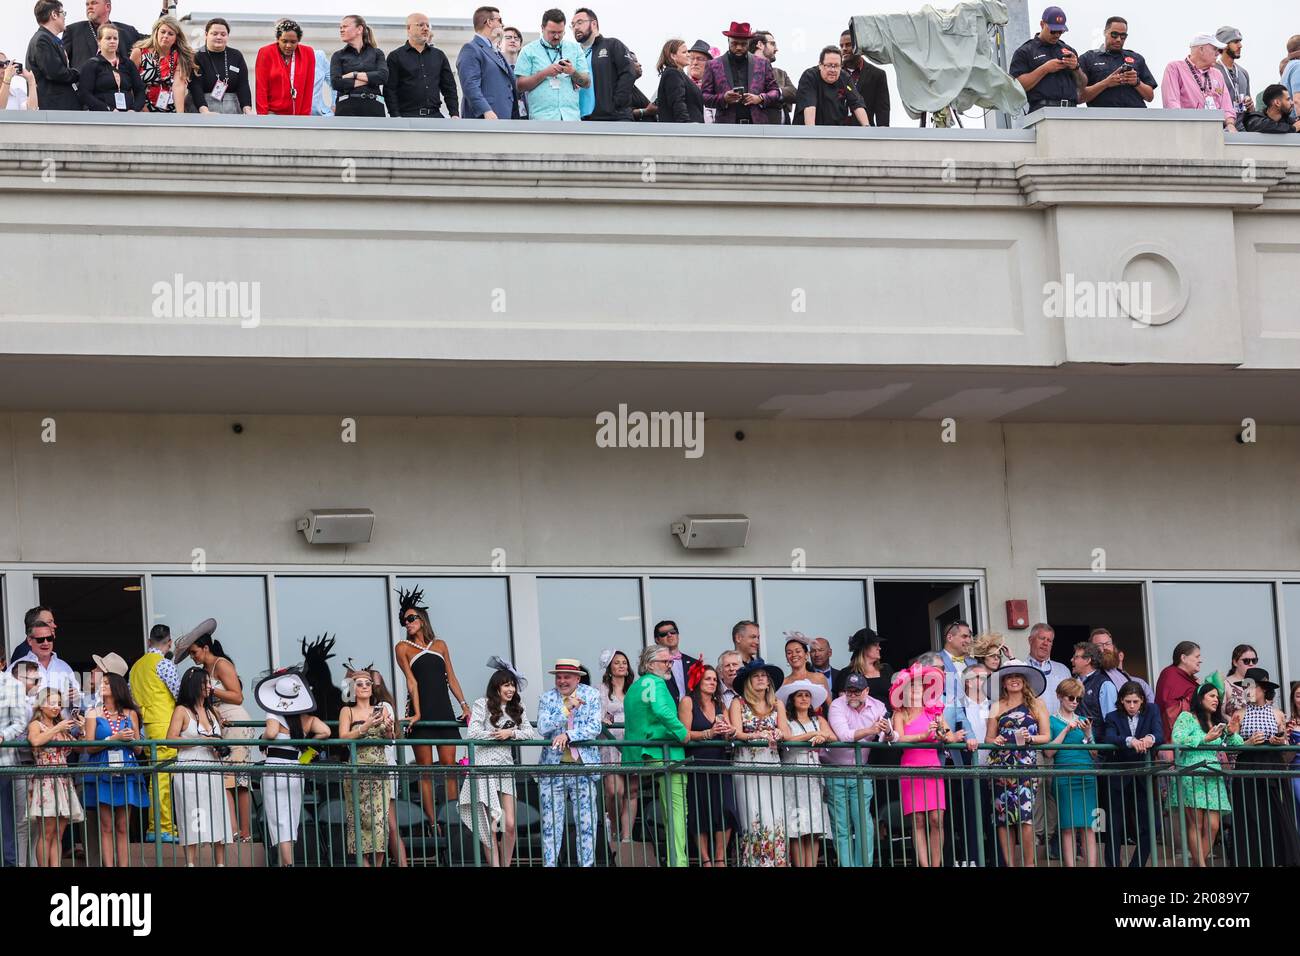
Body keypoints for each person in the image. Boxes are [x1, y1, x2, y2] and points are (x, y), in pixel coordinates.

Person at [394, 586, 469, 836]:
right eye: (404, 620)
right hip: (423, 713)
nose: (408, 623)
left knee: (449, 766)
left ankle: (451, 818)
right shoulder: (402, 647)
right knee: (425, 770)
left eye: (411, 618)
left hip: (444, 712)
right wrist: (416, 713)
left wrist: (464, 705)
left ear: (423, 619)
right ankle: (432, 823)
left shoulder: (440, 644)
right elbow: (411, 682)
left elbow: (452, 677)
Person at [178, 625, 253, 844]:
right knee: (224, 778)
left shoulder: (221, 664)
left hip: (236, 722)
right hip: (220, 724)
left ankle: (244, 832)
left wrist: (211, 690)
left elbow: (238, 696)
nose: (192, 657)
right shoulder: (206, 670)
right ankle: (233, 829)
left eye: (194, 652)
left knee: (239, 779)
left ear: (206, 647)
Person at [460, 659, 536, 867]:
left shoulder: (517, 708)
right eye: (506, 685)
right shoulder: (481, 704)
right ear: (496, 687)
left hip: (506, 767)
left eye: (512, 685)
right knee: (491, 825)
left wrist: (510, 733)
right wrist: (496, 735)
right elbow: (472, 734)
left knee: (509, 824)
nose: (510, 689)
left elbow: (529, 733)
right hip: (484, 767)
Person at [255, 666, 329, 867]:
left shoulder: (274, 713)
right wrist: (307, 746)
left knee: (278, 822)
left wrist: (261, 739)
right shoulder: (306, 719)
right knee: (290, 820)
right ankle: (285, 863)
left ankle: (288, 865)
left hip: (274, 769)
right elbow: (326, 731)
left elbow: (270, 734)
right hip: (295, 769)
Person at [622, 645, 689, 866]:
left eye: (671, 661)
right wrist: (682, 733)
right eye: (665, 662)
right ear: (650, 664)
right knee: (677, 813)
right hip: (664, 753)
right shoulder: (656, 682)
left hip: (639, 755)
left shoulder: (633, 687)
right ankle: (678, 862)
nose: (669, 665)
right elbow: (661, 710)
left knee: (671, 810)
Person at [1226, 667, 1300, 866]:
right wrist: (1247, 743)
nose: (1247, 691)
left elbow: (1285, 741)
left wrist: (1279, 740)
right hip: (1247, 766)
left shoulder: (1277, 714)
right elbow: (1229, 748)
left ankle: (1277, 858)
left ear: (1262, 689)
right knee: (1249, 815)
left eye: (1251, 687)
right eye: (1245, 687)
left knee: (1275, 813)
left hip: (1272, 765)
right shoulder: (1239, 714)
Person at [536, 659, 602, 867]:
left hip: (582, 767)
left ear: (577, 678)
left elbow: (594, 727)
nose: (562, 680)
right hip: (553, 769)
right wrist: (565, 709)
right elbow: (543, 727)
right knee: (550, 825)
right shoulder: (547, 697)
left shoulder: (591, 695)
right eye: (559, 676)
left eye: (567, 676)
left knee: (586, 824)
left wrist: (568, 734)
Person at [82, 658, 146, 867]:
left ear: (117, 687)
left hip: (126, 771)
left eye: (106, 683)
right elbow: (89, 746)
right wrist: (113, 739)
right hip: (102, 770)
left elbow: (139, 750)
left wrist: (133, 740)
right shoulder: (93, 713)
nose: (101, 686)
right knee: (106, 825)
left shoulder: (130, 713)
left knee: (122, 826)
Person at [1171, 676, 1242, 866]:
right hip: (1192, 774)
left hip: (1213, 776)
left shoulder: (1218, 722)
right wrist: (1205, 740)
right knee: (1197, 824)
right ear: (1200, 697)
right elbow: (1177, 739)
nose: (1216, 700)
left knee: (1213, 826)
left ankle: (1196, 865)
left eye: (1217, 697)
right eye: (1211, 696)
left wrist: (1233, 732)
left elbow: (1237, 745)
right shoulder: (1187, 717)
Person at [824, 672, 893, 867]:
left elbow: (889, 736)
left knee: (864, 824)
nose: (852, 695)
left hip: (861, 770)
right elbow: (844, 735)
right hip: (836, 770)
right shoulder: (838, 704)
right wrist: (871, 730)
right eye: (849, 691)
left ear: (867, 691)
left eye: (857, 691)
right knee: (842, 826)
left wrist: (886, 731)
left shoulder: (878, 706)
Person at [986, 659, 1050, 866]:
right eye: (1010, 677)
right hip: (1001, 766)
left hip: (1026, 766)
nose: (1014, 680)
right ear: (1004, 682)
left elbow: (1046, 736)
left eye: (1018, 676)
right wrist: (996, 740)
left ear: (1024, 680)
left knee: (1026, 817)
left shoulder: (1037, 704)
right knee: (1003, 819)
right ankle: (1009, 864)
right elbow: (988, 739)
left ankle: (1029, 863)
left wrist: (1030, 738)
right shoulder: (997, 705)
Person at [166, 667, 233, 866]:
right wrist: (201, 740)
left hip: (212, 764)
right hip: (190, 765)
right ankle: (191, 863)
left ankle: (220, 863)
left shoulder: (212, 710)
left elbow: (218, 737)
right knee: (193, 814)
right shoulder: (182, 710)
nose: (208, 687)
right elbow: (170, 739)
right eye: (204, 683)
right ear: (194, 685)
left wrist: (218, 739)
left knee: (218, 811)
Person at [891, 665, 955, 867]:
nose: (917, 691)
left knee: (937, 819)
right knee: (917, 820)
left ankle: (936, 865)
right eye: (912, 687)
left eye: (920, 687)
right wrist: (923, 737)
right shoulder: (900, 714)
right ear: (904, 691)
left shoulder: (934, 711)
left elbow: (949, 736)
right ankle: (924, 865)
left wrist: (946, 735)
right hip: (910, 768)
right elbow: (898, 739)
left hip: (932, 767)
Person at [728, 657, 789, 866]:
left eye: (764, 675)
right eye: (757, 676)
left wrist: (778, 733)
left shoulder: (777, 703)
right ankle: (753, 862)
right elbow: (736, 732)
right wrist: (755, 736)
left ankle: (776, 862)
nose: (762, 679)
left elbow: (786, 733)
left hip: (771, 761)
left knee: (774, 813)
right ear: (748, 681)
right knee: (753, 814)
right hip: (747, 761)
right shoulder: (738, 703)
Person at [1100, 680, 1163, 867]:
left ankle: (1136, 865)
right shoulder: (1112, 716)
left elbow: (1160, 734)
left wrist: (1150, 739)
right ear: (1121, 701)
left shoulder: (1152, 710)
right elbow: (1109, 737)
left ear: (1142, 700)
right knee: (1113, 825)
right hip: (1118, 774)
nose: (1132, 706)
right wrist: (1130, 741)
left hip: (1144, 774)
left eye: (1136, 701)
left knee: (1152, 825)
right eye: (1128, 702)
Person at [678, 661, 735, 866]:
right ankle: (706, 860)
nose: (712, 683)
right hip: (698, 760)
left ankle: (720, 858)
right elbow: (684, 733)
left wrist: (729, 732)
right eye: (707, 679)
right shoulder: (688, 702)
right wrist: (708, 733)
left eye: (714, 679)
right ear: (697, 681)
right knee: (699, 811)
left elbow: (729, 732)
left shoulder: (720, 704)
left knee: (727, 808)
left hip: (720, 760)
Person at [337, 664, 393, 866]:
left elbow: (389, 740)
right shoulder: (347, 711)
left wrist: (388, 729)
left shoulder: (381, 709)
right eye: (359, 684)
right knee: (359, 822)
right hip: (357, 771)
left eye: (367, 683)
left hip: (379, 770)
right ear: (353, 689)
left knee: (380, 822)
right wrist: (365, 727)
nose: (364, 687)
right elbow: (343, 737)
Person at [128, 623, 178, 843]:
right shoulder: (165, 665)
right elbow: (180, 695)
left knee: (156, 778)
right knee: (162, 780)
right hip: (165, 725)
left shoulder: (135, 668)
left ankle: (158, 826)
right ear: (169, 642)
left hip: (145, 727)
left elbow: (131, 699)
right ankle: (162, 828)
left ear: (149, 642)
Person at [26, 688, 83, 867]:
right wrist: (58, 727)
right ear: (41, 705)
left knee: (59, 832)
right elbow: (35, 741)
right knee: (47, 832)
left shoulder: (63, 728)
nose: (56, 707)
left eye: (59, 703)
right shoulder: (36, 724)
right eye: (52, 702)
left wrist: (81, 731)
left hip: (63, 780)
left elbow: (81, 749)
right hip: (45, 779)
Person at [777, 678, 831, 867]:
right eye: (800, 695)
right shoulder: (787, 721)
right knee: (798, 827)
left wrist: (822, 735)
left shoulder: (819, 719)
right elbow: (788, 739)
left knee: (814, 828)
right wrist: (811, 736)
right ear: (792, 699)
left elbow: (831, 735)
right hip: (794, 774)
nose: (804, 698)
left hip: (814, 774)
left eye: (807, 695)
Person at [1046, 677, 1098, 867]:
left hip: (1087, 776)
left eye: (1078, 699)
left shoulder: (1085, 721)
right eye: (1071, 697)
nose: (1075, 702)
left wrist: (1088, 734)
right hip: (1064, 777)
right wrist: (1066, 730)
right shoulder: (1051, 721)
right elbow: (1049, 751)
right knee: (1067, 827)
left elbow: (1094, 753)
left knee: (1089, 827)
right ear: (1060, 696)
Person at [365, 669, 407, 866]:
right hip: (379, 768)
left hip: (384, 767)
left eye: (367, 683)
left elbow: (384, 735)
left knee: (388, 823)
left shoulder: (383, 706)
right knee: (384, 823)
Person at [515, 8, 589, 121]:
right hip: (541, 119)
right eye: (552, 32)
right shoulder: (528, 51)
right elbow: (520, 86)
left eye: (560, 32)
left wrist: (572, 72)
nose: (556, 37)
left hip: (571, 118)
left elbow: (586, 83)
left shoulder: (575, 49)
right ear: (542, 28)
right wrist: (545, 73)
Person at [700, 21, 779, 124]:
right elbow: (704, 96)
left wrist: (759, 98)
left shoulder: (762, 64)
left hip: (757, 127)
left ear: (749, 43)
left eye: (743, 44)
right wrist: (724, 98)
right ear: (728, 41)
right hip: (726, 128)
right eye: (734, 43)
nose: (739, 47)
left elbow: (775, 92)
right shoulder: (713, 65)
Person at [1009, 6, 1085, 113]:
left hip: (1071, 110)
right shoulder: (1026, 51)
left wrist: (1076, 68)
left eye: (1060, 31)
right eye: (1053, 31)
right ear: (1042, 24)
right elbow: (1016, 86)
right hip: (1043, 110)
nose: (1057, 35)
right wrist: (1045, 69)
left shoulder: (1068, 50)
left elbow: (1082, 86)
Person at [597, 648, 638, 844]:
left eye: (624, 662)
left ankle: (627, 837)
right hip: (611, 745)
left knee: (631, 791)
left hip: (632, 741)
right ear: (609, 668)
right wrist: (604, 720)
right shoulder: (601, 690)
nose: (622, 665)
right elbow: (598, 716)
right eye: (617, 662)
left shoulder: (635, 688)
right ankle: (612, 829)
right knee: (614, 791)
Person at [386, 12, 459, 119]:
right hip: (406, 117)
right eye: (420, 25)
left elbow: (449, 88)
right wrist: (395, 116)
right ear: (408, 28)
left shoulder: (439, 55)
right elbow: (390, 90)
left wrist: (454, 114)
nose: (425, 29)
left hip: (434, 116)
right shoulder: (395, 56)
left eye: (427, 26)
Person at [1161, 34, 1236, 132]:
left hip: (1214, 132)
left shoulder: (1217, 74)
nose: (1218, 53)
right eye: (1215, 49)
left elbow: (1227, 107)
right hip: (1187, 131)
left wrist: (1230, 124)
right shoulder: (1175, 68)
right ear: (1201, 49)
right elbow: (1172, 104)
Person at [570, 8, 633, 121]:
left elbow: (629, 72)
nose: (576, 27)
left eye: (580, 22)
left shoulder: (612, 45)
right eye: (573, 25)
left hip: (614, 118)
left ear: (593, 24)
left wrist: (615, 103)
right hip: (582, 120)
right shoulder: (574, 54)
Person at [1080, 16, 1156, 108]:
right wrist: (1106, 83)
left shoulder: (1136, 58)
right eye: (1114, 34)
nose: (1118, 39)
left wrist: (1137, 82)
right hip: (1101, 117)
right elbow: (1079, 97)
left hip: (1135, 117)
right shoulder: (1088, 58)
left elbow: (1150, 97)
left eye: (1123, 36)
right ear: (1105, 32)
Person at [0, 648, 32, 867]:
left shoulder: (13, 686)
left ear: (2, 662)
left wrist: (3, 735)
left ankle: (9, 863)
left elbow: (20, 723)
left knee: (5, 820)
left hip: (4, 762)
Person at [457, 5, 517, 120]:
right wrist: (486, 110)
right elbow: (470, 85)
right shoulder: (471, 49)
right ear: (489, 22)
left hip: (504, 118)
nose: (502, 25)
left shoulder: (496, 52)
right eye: (500, 20)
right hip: (485, 120)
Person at [130, 15, 195, 113]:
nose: (165, 36)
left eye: (170, 34)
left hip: (169, 109)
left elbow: (178, 86)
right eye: (163, 32)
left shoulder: (179, 56)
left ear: (176, 38)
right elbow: (130, 83)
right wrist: (140, 107)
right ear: (156, 32)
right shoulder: (139, 52)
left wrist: (180, 115)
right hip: (142, 108)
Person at [26, 1, 81, 111]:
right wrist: (80, 74)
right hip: (54, 108)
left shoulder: (49, 39)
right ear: (54, 15)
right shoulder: (42, 40)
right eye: (63, 13)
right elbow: (56, 72)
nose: (64, 18)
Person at [189, 18, 252, 115]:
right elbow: (195, 86)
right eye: (214, 34)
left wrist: (247, 109)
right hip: (202, 109)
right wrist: (204, 111)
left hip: (232, 109)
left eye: (223, 34)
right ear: (206, 35)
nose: (219, 37)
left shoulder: (236, 55)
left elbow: (243, 85)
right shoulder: (197, 56)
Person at [794, 47, 868, 127]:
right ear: (820, 65)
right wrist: (812, 134)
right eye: (829, 65)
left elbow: (856, 103)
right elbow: (809, 106)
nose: (833, 70)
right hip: (808, 131)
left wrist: (867, 127)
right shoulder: (809, 76)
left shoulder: (845, 78)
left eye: (836, 66)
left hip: (836, 131)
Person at [77, 23, 144, 111]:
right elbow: (85, 94)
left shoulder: (128, 63)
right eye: (108, 38)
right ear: (99, 41)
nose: (112, 41)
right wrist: (107, 109)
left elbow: (140, 91)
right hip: (103, 116)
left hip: (127, 116)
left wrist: (134, 109)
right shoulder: (92, 64)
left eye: (115, 38)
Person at [330, 14, 387, 118]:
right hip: (346, 108)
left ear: (359, 29)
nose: (341, 30)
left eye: (345, 26)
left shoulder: (377, 53)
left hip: (374, 108)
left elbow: (383, 76)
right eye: (340, 27)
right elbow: (336, 83)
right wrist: (370, 79)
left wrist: (353, 74)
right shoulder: (338, 55)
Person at [255, 19, 314, 116]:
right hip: (272, 114)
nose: (288, 45)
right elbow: (261, 88)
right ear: (277, 39)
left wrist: (305, 117)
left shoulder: (308, 53)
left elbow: (308, 87)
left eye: (293, 42)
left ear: (298, 40)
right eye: (284, 41)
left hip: (297, 115)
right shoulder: (265, 53)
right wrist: (262, 116)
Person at [64, 0, 142, 70]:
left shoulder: (128, 31)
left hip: (120, 83)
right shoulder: (73, 31)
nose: (89, 7)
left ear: (108, 7)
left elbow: (151, 40)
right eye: (87, 4)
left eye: (94, 3)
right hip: (85, 84)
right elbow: (61, 61)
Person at [838, 29, 890, 126]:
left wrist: (882, 137)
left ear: (859, 47)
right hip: (835, 134)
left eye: (848, 44)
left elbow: (882, 112)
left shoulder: (877, 75)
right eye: (841, 46)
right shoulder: (833, 74)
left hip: (865, 134)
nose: (844, 49)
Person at [1089, 628, 1154, 701]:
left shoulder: (1124, 677)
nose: (1105, 648)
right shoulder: (1087, 679)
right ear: (1091, 650)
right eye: (1099, 645)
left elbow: (1150, 706)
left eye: (1108, 644)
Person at [1156, 640, 1201, 742]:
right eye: (1197, 657)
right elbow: (1169, 708)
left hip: (1196, 734)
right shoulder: (1169, 674)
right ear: (1184, 658)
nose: (1200, 660)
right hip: (1176, 735)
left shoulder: (1192, 680)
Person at [751, 30, 796, 124]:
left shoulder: (780, 73)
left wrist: (775, 93)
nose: (776, 49)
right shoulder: (746, 72)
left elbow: (794, 93)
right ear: (760, 44)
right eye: (772, 44)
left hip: (783, 132)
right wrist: (780, 97)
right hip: (759, 132)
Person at [654, 39, 702, 123]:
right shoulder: (673, 74)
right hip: (685, 131)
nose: (688, 55)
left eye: (688, 52)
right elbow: (677, 102)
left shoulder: (679, 74)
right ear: (673, 56)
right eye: (684, 52)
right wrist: (686, 124)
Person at [1070, 641, 1117, 725]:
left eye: (1076, 657)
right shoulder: (1072, 682)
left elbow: (1111, 722)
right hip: (1074, 736)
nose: (1072, 660)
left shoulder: (1105, 685)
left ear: (1088, 660)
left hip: (1096, 738)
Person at [844, 628, 892, 706]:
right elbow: (845, 704)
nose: (879, 648)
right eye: (875, 645)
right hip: (862, 717)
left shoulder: (886, 669)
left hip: (889, 716)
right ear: (864, 648)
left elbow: (897, 697)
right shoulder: (848, 673)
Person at [652, 620, 697, 701]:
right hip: (668, 711)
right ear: (657, 640)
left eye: (672, 632)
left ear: (678, 635)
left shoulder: (694, 663)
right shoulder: (654, 665)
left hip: (692, 711)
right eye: (664, 634)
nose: (669, 635)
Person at [1215, 26, 1253, 121]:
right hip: (1219, 129)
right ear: (1224, 45)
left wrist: (1251, 107)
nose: (1240, 45)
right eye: (1236, 42)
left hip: (1241, 131)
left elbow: (1250, 110)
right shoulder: (1212, 71)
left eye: (1240, 41)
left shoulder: (1243, 73)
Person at [782, 633, 830, 706]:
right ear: (786, 657)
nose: (794, 655)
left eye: (798, 651)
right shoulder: (784, 682)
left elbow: (831, 706)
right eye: (789, 653)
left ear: (807, 655)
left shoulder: (819, 678)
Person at [1222, 643, 1258, 718]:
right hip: (1234, 728)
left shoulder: (1258, 685)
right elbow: (1220, 714)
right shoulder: (1225, 684)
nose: (1251, 664)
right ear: (1235, 662)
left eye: (1254, 660)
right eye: (1246, 661)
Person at [500, 24, 527, 116]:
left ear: (520, 46)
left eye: (516, 38)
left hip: (524, 115)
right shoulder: (495, 68)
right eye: (508, 37)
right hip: (502, 114)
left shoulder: (526, 69)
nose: (512, 40)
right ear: (499, 44)